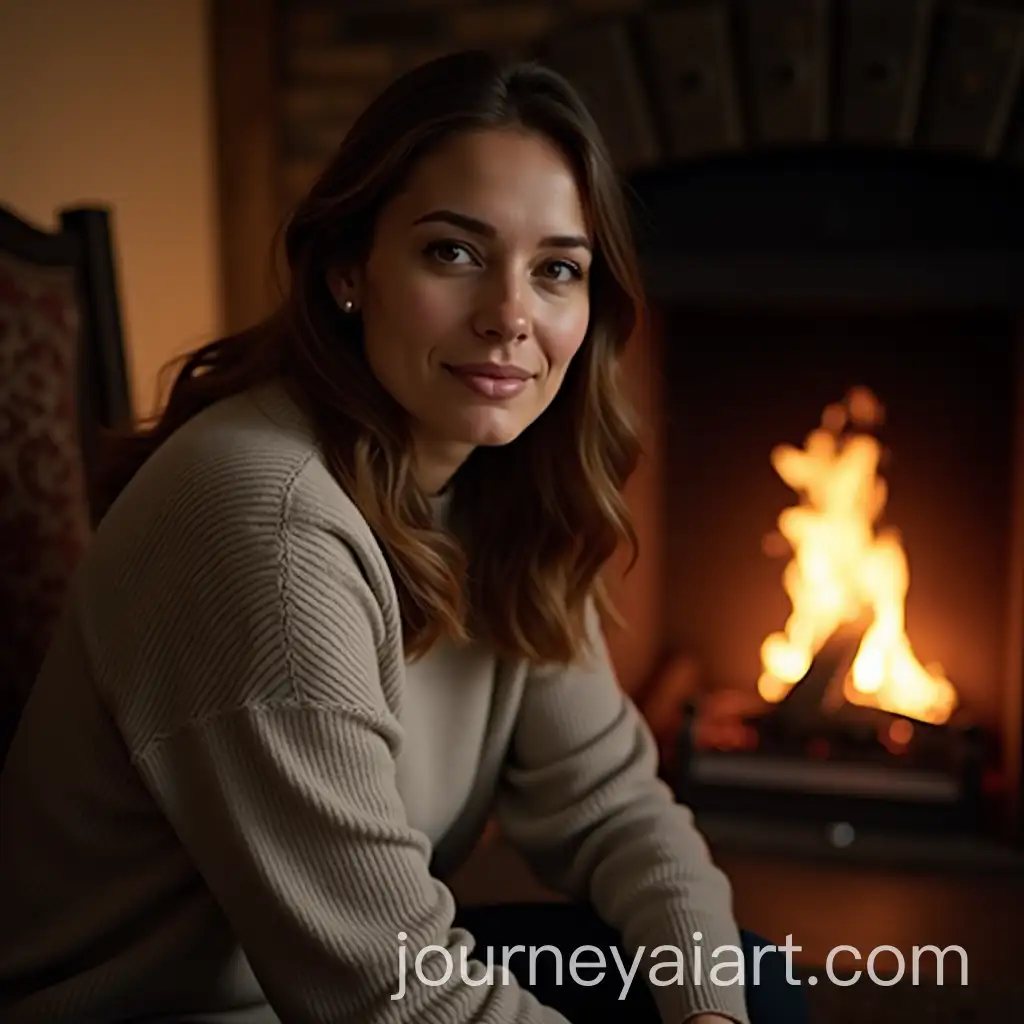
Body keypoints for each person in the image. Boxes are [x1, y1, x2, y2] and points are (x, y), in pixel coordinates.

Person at [0, 50, 808, 1024]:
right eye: (453, 253)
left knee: (745, 983)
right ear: (349, 268)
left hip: (327, 979)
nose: (511, 316)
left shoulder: (498, 489)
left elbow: (613, 809)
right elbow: (389, 994)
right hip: (189, 1008)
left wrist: (708, 1013)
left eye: (557, 269)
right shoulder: (270, 525)